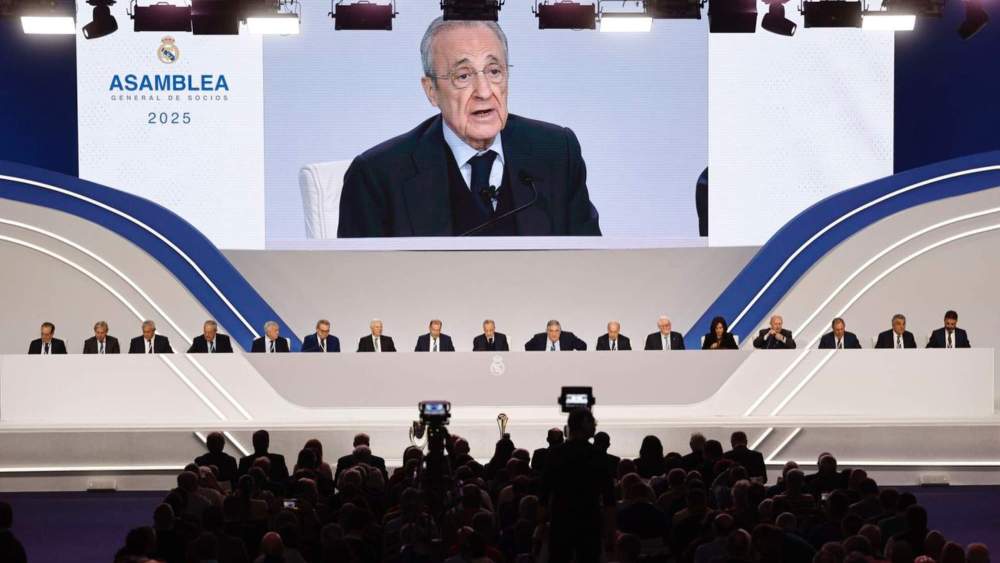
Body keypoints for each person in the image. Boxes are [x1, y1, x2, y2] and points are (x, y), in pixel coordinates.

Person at [337, 17, 601, 238]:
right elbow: (356, 287)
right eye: (463, 76)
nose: (484, 92)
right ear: (431, 91)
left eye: (494, 71)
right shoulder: (377, 176)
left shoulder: (556, 152)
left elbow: (590, 267)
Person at [541, 408, 615, 563]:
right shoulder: (598, 455)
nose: (595, 426)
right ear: (585, 423)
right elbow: (609, 498)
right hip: (589, 522)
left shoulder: (555, 453)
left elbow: (544, 493)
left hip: (560, 521)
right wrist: (610, 531)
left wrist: (541, 526)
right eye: (593, 422)